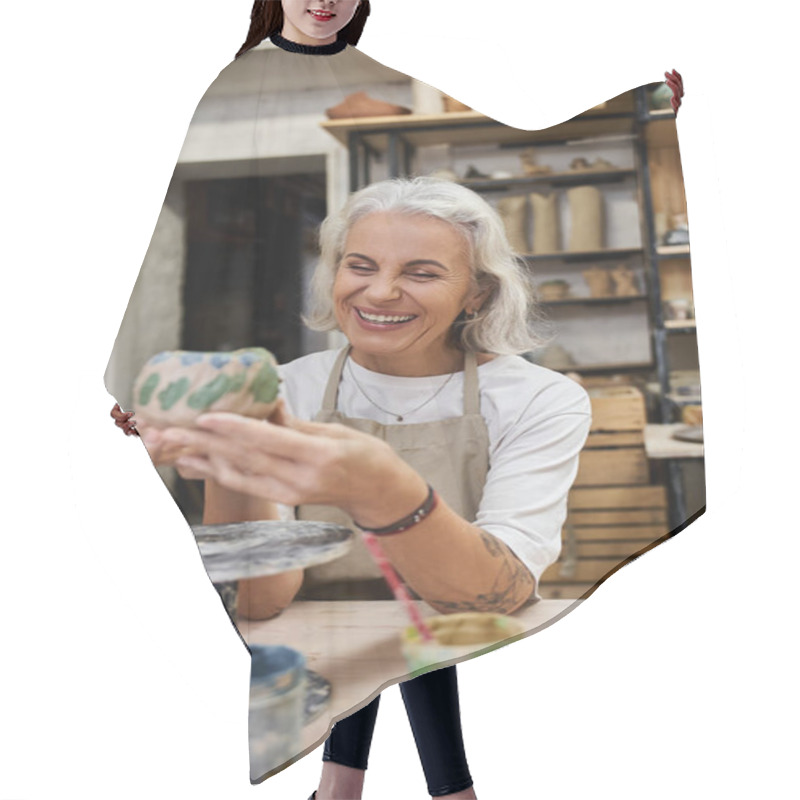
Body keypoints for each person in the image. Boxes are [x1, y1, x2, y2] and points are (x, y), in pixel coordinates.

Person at [113, 5, 592, 799]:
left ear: (477, 292)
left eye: (422, 273)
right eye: (358, 265)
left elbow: (499, 593)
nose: (380, 293)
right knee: (362, 634)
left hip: (463, 627)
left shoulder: (539, 399)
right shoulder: (294, 390)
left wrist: (382, 489)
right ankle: (359, 786)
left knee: (411, 632)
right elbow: (265, 601)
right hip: (317, 637)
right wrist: (223, 448)